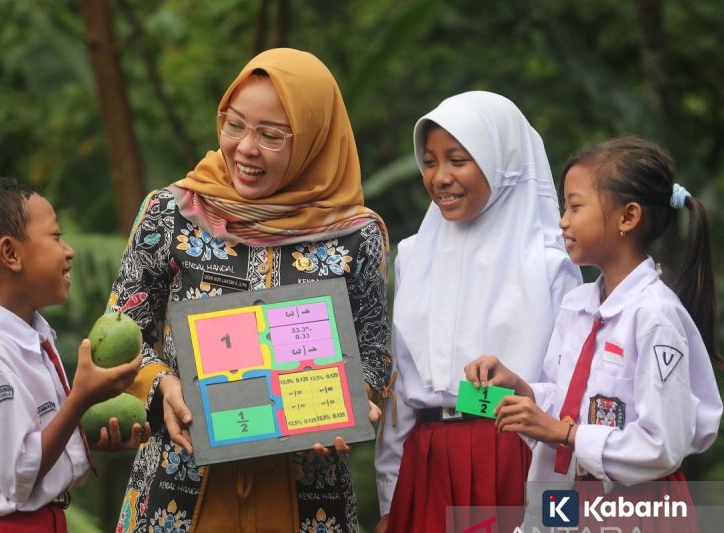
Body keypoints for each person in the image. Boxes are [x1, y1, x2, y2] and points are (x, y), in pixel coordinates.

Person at [108, 48, 391, 533]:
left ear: (313, 138)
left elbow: (374, 357)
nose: (245, 148)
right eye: (234, 124)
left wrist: (338, 403)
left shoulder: (353, 235)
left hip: (307, 496)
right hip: (178, 487)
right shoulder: (170, 213)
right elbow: (120, 331)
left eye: (271, 135)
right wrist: (162, 387)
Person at [465, 136, 723, 530]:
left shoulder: (654, 316)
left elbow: (662, 444)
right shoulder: (580, 305)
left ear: (627, 217)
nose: (563, 220)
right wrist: (523, 391)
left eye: (575, 206)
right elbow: (570, 399)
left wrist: (566, 434)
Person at [374, 91, 582, 533]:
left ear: (500, 161)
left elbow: (566, 395)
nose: (441, 177)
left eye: (458, 160)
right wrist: (390, 499)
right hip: (426, 459)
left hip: (511, 457)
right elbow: (402, 393)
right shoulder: (414, 257)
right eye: (429, 162)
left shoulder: (550, 265)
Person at [0, 177, 143, 532]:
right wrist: (81, 400)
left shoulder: (28, 334)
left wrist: (84, 437)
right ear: (11, 254)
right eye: (56, 236)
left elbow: (31, 441)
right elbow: (19, 476)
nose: (69, 250)